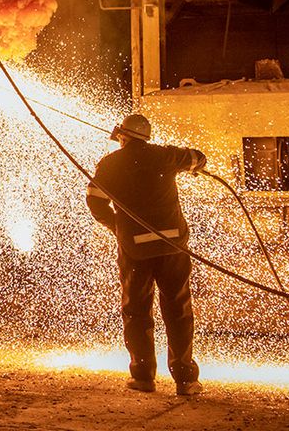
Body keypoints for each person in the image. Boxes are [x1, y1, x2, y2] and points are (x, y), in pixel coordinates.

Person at [86, 114, 206, 397]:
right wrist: (195, 165)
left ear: (123, 137)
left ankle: (142, 376)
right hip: (172, 246)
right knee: (178, 310)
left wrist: (117, 226)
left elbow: (94, 200)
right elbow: (197, 157)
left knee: (137, 310)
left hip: (135, 249)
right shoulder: (165, 155)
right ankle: (186, 379)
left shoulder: (110, 164)